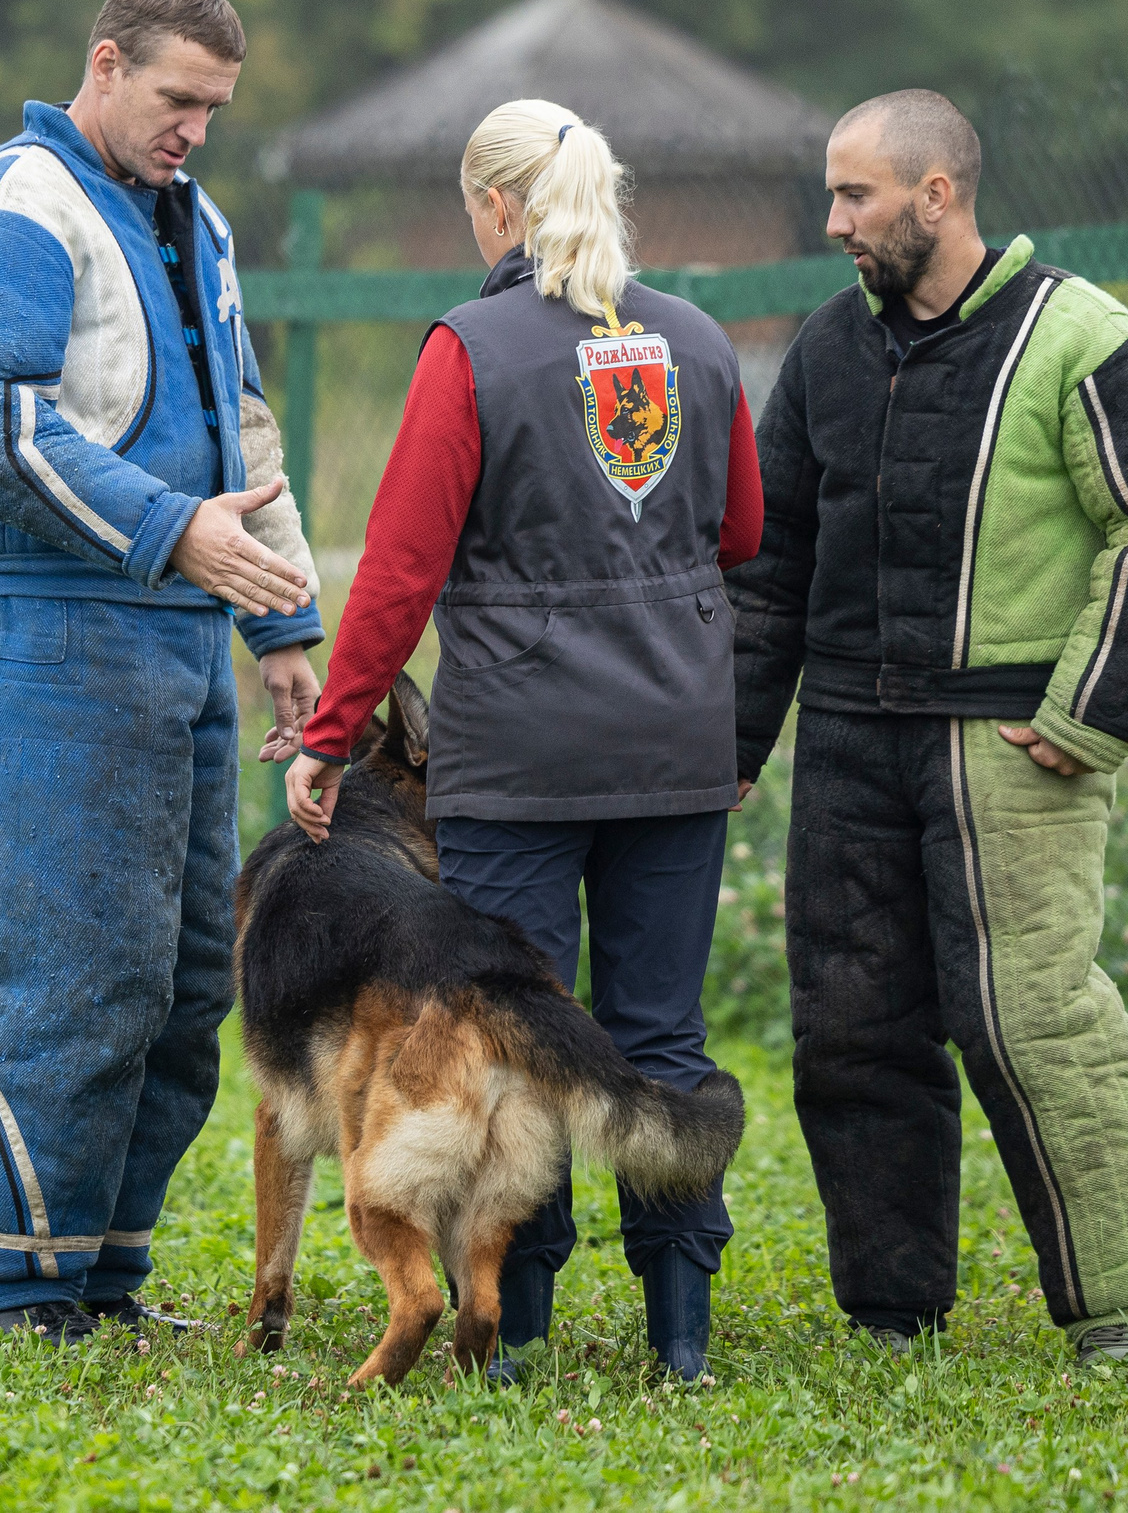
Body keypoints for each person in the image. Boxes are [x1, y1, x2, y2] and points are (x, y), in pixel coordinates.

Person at [728, 90, 1128, 1367]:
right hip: (844, 737)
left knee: (1031, 1018)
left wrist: (1090, 711)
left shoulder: (1086, 338)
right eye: (831, 194)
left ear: (936, 195)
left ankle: (1113, 1308)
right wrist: (736, 740)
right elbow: (776, 554)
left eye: (856, 195)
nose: (832, 219)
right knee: (852, 1027)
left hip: (1007, 741)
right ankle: (892, 1311)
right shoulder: (826, 348)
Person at [285, 99, 764, 1383]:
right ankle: (682, 1334)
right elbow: (738, 533)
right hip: (673, 742)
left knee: (505, 1033)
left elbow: (397, 571)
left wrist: (333, 735)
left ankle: (518, 1331)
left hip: (518, 754)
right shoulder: (702, 343)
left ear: (495, 208)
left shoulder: (471, 348)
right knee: (656, 1033)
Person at [0, 0, 325, 1343]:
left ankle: (98, 1273)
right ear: (103, 63)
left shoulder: (194, 224)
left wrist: (283, 626)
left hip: (182, 631)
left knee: (188, 983)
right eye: (175, 98)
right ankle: (10, 1287)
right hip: (50, 625)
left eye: (215, 107)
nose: (195, 128)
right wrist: (172, 537)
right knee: (77, 972)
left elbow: (241, 430)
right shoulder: (13, 207)